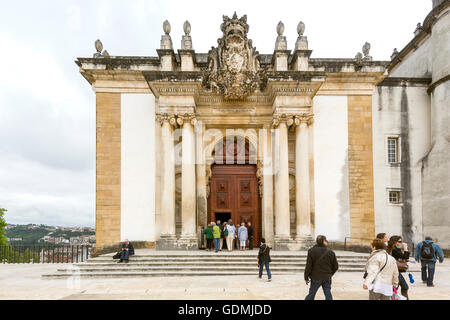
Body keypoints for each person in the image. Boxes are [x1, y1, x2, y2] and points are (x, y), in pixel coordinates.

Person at [304, 235, 339, 300]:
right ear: (324, 241)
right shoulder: (331, 252)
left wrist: (306, 277)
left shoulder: (311, 251)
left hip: (315, 277)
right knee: (328, 294)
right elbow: (336, 266)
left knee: (311, 294)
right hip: (327, 277)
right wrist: (330, 274)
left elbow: (308, 266)